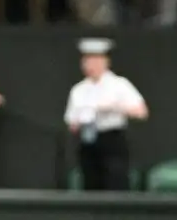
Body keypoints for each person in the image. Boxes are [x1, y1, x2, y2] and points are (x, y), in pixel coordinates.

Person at [63, 38, 150, 190]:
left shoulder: (119, 85)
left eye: (95, 61)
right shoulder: (79, 90)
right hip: (88, 140)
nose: (90, 65)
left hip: (112, 139)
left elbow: (141, 112)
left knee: (115, 181)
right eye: (87, 61)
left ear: (105, 62)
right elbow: (71, 122)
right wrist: (79, 121)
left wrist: (115, 107)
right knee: (91, 184)